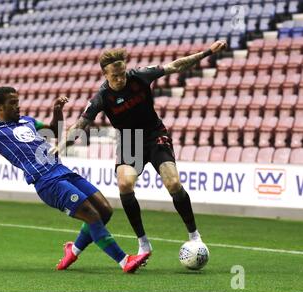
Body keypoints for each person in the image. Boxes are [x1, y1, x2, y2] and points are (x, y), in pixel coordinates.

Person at [0, 86, 149, 273]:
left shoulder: (28, 121)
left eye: (18, 101)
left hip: (62, 170)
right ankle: (124, 261)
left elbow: (54, 130)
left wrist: (57, 110)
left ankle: (73, 250)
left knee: (105, 211)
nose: (18, 105)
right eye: (12, 103)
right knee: (91, 215)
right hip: (45, 181)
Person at [54, 40, 228, 267]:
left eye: (122, 73)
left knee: (173, 184)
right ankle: (143, 243)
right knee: (125, 185)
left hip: (154, 134)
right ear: (105, 74)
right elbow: (81, 125)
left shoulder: (140, 76)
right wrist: (59, 147)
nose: (120, 78)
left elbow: (175, 66)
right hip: (130, 140)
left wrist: (207, 52)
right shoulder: (101, 97)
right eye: (114, 76)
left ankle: (194, 236)